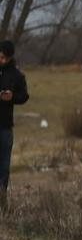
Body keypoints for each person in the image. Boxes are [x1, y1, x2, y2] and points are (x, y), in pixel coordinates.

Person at [0, 41, 30, 212]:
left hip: (5, 126)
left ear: (10, 58)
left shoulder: (17, 75)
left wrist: (11, 97)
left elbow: (24, 95)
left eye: (5, 58)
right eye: (0, 56)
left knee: (4, 167)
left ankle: (2, 202)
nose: (2, 60)